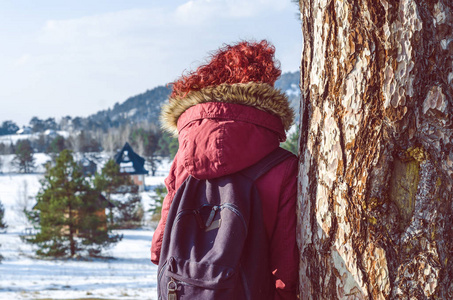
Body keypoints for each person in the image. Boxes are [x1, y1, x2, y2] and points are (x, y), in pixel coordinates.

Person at [151, 40, 299, 300]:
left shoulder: (183, 160)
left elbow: (158, 249)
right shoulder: (284, 166)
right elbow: (286, 266)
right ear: (263, 92)